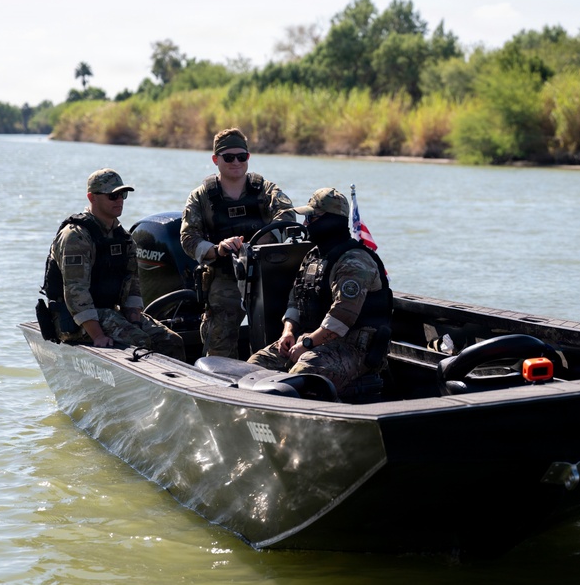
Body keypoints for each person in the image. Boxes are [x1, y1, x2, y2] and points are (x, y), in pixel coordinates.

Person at [247, 187, 392, 394]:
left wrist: (307, 343)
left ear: (331, 221)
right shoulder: (314, 256)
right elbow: (296, 299)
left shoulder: (354, 261)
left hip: (355, 349)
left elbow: (342, 317)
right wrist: (288, 332)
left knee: (303, 375)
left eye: (311, 218)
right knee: (256, 365)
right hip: (313, 339)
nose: (306, 224)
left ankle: (328, 421)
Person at [40, 168, 186, 361]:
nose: (119, 200)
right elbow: (76, 292)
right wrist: (98, 335)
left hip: (109, 312)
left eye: (122, 195)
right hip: (73, 320)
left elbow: (132, 283)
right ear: (92, 198)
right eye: (112, 196)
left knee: (171, 341)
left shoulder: (122, 237)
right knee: (139, 341)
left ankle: (174, 390)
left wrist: (134, 319)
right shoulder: (76, 236)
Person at [180, 127, 296, 358]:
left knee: (274, 336)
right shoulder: (201, 196)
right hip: (224, 277)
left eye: (241, 157)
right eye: (229, 157)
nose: (236, 162)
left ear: (248, 158)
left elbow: (288, 216)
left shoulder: (266, 190)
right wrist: (218, 249)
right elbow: (188, 238)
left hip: (265, 277)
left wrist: (263, 239)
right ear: (215, 160)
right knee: (218, 344)